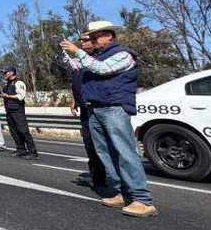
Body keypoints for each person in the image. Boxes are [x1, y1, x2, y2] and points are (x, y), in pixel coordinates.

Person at [61, 21, 157, 218]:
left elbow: (102, 69)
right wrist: (67, 52)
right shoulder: (95, 56)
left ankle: (142, 199)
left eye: (95, 36)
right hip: (95, 108)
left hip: (114, 108)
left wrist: (78, 52)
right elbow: (77, 67)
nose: (91, 40)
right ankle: (122, 192)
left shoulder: (123, 54)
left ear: (109, 35)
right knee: (106, 153)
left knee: (125, 152)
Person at [64, 33, 108, 193]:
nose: (82, 43)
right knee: (90, 144)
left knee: (103, 145)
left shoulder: (99, 59)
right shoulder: (79, 61)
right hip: (84, 108)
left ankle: (115, 181)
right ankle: (97, 178)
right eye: (81, 40)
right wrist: (74, 99)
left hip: (99, 108)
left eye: (86, 40)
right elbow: (78, 80)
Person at [0, 66, 38, 160]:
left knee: (23, 131)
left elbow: (21, 96)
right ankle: (21, 149)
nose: (4, 74)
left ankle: (33, 152)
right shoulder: (6, 85)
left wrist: (7, 96)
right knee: (14, 132)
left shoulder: (19, 83)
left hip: (18, 111)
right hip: (9, 111)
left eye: (6, 72)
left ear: (12, 73)